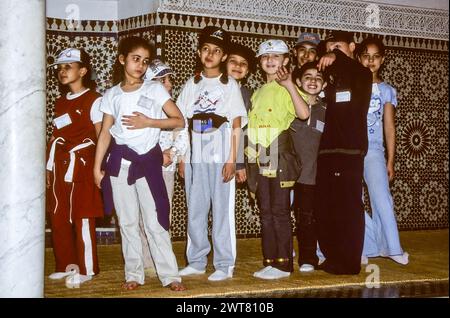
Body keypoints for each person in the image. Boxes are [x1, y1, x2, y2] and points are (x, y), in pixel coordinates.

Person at [93, 36, 186, 291]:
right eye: (136, 59)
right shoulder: (111, 94)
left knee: (155, 221)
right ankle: (133, 273)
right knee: (128, 222)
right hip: (119, 164)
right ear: (123, 59)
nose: (140, 66)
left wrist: (149, 122)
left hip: (148, 163)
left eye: (145, 62)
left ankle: (170, 275)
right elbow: (105, 134)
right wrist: (96, 167)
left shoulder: (154, 89)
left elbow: (179, 121)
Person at [176, 26, 247, 281]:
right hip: (196, 155)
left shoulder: (229, 85)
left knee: (221, 211)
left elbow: (237, 125)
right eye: (206, 49)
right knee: (195, 208)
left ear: (223, 56)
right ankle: (195, 260)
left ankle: (224, 264)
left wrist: (232, 159)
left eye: (216, 51)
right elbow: (181, 122)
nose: (210, 54)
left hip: (220, 154)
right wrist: (183, 158)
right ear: (199, 51)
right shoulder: (191, 83)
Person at [247, 39, 310, 280]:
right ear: (260, 62)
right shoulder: (257, 92)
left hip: (279, 154)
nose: (270, 60)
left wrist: (290, 85)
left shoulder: (287, 87)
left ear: (286, 61)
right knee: (265, 211)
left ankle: (284, 265)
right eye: (265, 57)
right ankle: (271, 260)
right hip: (260, 154)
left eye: (276, 56)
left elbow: (303, 114)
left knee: (280, 211)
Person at [315, 30, 372, 275]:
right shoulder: (328, 74)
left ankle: (349, 262)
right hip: (326, 150)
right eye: (330, 47)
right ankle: (332, 256)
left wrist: (335, 56)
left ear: (351, 46)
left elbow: (353, 72)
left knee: (348, 207)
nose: (333, 51)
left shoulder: (361, 73)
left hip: (349, 150)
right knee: (326, 206)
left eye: (338, 46)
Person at [46, 48, 103, 287]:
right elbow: (59, 133)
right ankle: (65, 264)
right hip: (60, 166)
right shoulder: (60, 101)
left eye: (68, 66)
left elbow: (102, 135)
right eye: (59, 67)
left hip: (82, 165)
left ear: (82, 70)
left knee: (82, 215)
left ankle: (87, 268)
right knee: (58, 215)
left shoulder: (95, 99)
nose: (62, 71)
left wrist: (99, 167)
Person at [357, 37, 409, 265]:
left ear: (383, 59)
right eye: (366, 56)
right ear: (359, 58)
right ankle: (363, 246)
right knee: (351, 201)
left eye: (375, 56)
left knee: (381, 197)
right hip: (349, 150)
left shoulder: (387, 90)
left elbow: (389, 126)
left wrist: (390, 161)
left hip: (374, 151)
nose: (370, 60)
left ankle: (392, 247)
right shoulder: (350, 85)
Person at [138, 59, 190, 275]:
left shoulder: (172, 108)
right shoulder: (140, 106)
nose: (168, 84)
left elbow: (182, 132)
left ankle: (162, 262)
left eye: (169, 79)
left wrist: (174, 154)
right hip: (142, 167)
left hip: (164, 169)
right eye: (162, 80)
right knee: (141, 215)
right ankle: (145, 261)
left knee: (160, 215)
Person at [290, 62, 327, 272]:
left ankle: (308, 258)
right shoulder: (289, 105)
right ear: (297, 81)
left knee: (307, 218)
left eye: (318, 77)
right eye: (308, 76)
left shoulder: (327, 109)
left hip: (312, 176)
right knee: (284, 215)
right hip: (289, 172)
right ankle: (283, 254)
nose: (313, 81)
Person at [226, 42, 256, 183]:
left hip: (232, 159)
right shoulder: (212, 88)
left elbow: (244, 131)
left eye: (243, 63)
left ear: (248, 71)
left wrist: (239, 163)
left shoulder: (249, 96)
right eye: (233, 61)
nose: (238, 66)